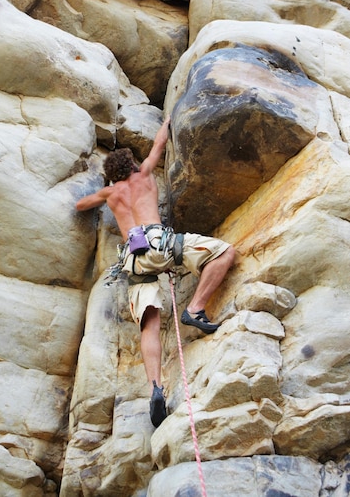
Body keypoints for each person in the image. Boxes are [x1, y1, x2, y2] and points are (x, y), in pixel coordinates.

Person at [75, 115, 236, 428]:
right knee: (223, 252)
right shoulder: (145, 173)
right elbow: (160, 144)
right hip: (161, 243)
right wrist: (168, 120)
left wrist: (107, 187)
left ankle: (156, 388)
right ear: (133, 165)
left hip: (134, 259)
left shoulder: (111, 194)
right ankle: (195, 309)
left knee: (149, 324)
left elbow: (81, 205)